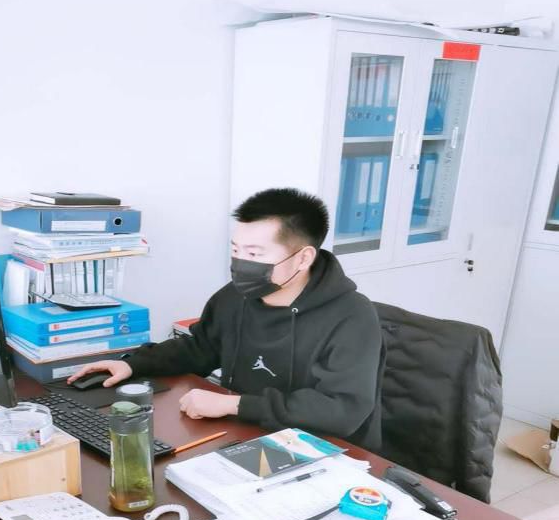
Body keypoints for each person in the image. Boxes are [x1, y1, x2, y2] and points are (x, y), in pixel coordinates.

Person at [68, 187, 384, 449]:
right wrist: (133, 364)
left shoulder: (352, 317)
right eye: (236, 250)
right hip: (246, 433)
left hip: (323, 450)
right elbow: (200, 348)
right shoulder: (236, 296)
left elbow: (340, 410)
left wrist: (234, 405)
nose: (240, 263)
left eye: (255, 254)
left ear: (303, 258)